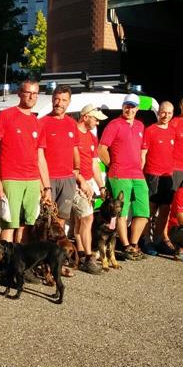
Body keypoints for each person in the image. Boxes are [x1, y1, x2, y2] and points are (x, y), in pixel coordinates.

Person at [0, 80, 52, 243]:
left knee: (27, 225)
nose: (31, 97)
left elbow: (40, 158)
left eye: (35, 93)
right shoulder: (6, 115)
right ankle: (6, 257)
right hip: (11, 178)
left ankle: (20, 258)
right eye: (28, 92)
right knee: (9, 225)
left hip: (33, 180)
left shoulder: (37, 123)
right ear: (19, 93)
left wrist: (46, 187)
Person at [97, 93, 149, 261]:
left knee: (143, 212)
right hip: (120, 174)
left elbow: (142, 149)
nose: (129, 109)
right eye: (127, 106)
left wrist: (141, 164)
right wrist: (112, 165)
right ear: (123, 107)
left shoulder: (140, 126)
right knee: (121, 212)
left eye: (133, 107)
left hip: (138, 174)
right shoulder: (114, 124)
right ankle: (126, 246)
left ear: (137, 108)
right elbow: (101, 149)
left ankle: (134, 244)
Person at [40, 86, 80, 229]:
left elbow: (75, 148)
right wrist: (42, 183)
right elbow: (37, 154)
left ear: (69, 102)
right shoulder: (42, 123)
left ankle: (58, 243)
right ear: (52, 100)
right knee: (46, 218)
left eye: (64, 100)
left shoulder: (72, 123)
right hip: (48, 179)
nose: (59, 103)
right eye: (57, 99)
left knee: (61, 219)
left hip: (67, 179)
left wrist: (77, 169)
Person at [73, 104, 107, 275]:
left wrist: (101, 185)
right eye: (95, 119)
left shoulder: (92, 137)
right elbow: (68, 162)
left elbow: (94, 164)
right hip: (74, 181)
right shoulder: (73, 134)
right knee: (87, 218)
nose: (97, 123)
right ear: (85, 117)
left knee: (81, 220)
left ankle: (80, 254)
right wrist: (81, 182)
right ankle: (88, 257)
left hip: (87, 182)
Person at [141, 101, 175, 255]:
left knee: (165, 210)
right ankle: (146, 240)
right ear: (158, 112)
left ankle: (158, 239)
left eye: (169, 113)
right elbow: (143, 154)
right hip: (152, 174)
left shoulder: (173, 131)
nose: (166, 115)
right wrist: (140, 174)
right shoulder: (150, 130)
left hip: (167, 176)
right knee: (150, 209)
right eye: (163, 112)